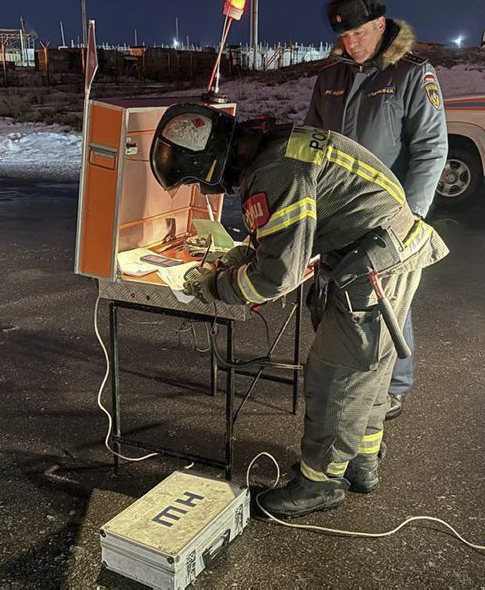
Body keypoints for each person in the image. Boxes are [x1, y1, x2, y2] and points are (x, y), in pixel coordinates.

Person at [149, 103, 448, 518]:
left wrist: (214, 286)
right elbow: (290, 231)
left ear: (211, 164)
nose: (207, 191)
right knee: (369, 370)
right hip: (383, 249)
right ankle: (361, 463)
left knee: (337, 376)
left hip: (374, 264)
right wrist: (242, 255)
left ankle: (320, 484)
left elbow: (273, 279)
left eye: (200, 181)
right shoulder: (274, 146)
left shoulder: (272, 172)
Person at [305, 0, 448, 420]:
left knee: (387, 299)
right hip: (335, 211)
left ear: (381, 25)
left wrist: (412, 218)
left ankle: (395, 385)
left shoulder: (410, 73)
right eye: (344, 36)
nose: (351, 44)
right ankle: (345, 371)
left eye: (360, 34)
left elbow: (430, 149)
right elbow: (310, 142)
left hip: (388, 215)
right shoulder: (330, 76)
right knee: (338, 292)